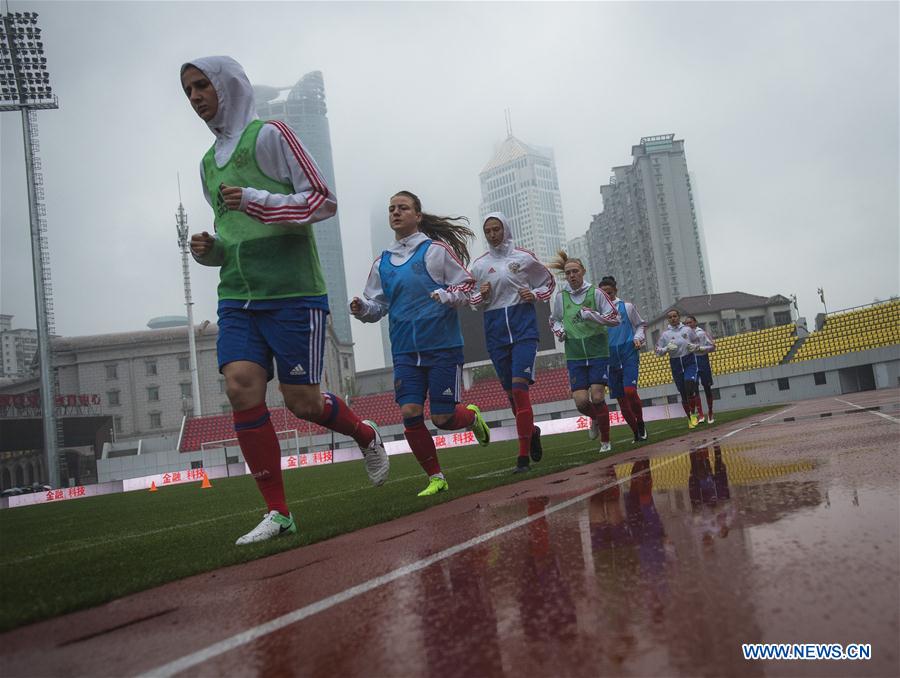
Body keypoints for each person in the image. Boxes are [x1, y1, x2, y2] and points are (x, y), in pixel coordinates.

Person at [181, 56, 389, 546]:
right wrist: (211, 251)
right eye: (188, 91)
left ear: (228, 87)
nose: (195, 97)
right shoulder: (207, 164)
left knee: (303, 404)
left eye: (202, 86)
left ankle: (365, 434)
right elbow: (233, 232)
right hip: (237, 296)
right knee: (240, 388)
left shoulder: (272, 135)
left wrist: (257, 200)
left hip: (293, 292)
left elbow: (322, 200)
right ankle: (278, 512)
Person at [350, 190, 490, 497]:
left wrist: (446, 295)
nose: (395, 212)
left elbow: (467, 288)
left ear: (418, 215)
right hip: (404, 351)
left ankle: (471, 416)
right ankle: (436, 477)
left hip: (442, 347)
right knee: (410, 412)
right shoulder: (382, 262)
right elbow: (377, 305)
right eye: (391, 209)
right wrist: (362, 309)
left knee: (443, 418)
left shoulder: (436, 251)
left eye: (403, 207)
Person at [469, 213, 555, 473]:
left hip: (523, 331)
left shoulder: (524, 258)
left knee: (519, 389)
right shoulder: (479, 266)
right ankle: (532, 431)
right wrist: (480, 295)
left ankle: (522, 457)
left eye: (497, 229)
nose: (493, 234)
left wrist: (534, 294)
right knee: (510, 396)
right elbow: (471, 300)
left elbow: (549, 282)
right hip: (496, 335)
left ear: (505, 229)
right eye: (488, 231)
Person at [548, 253, 620, 452]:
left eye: (575, 271)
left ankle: (605, 441)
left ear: (583, 272)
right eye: (568, 273)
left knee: (597, 397)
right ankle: (595, 418)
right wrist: (560, 331)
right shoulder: (561, 297)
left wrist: (593, 316)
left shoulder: (596, 293)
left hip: (597, 351)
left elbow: (615, 318)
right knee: (581, 402)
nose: (572, 275)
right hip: (575, 354)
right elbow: (554, 320)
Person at [598, 276, 648, 444]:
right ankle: (635, 433)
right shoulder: (597, 313)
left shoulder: (626, 307)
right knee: (621, 399)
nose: (607, 296)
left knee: (630, 392)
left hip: (628, 353)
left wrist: (638, 338)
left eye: (609, 292)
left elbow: (640, 324)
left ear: (615, 291)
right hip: (610, 359)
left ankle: (640, 423)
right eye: (603, 294)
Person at [654, 308, 702, 429]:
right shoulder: (665, 335)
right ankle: (690, 418)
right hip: (675, 363)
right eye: (670, 317)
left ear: (679, 317)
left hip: (689, 360)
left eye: (675, 316)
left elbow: (697, 342)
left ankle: (694, 414)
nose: (673, 319)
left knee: (689, 384)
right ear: (668, 320)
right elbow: (657, 351)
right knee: (683, 392)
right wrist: (666, 349)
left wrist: (694, 347)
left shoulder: (687, 330)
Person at [684, 315, 717, 423]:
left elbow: (713, 347)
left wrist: (700, 348)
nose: (688, 325)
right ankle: (701, 414)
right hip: (691, 362)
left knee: (707, 387)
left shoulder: (702, 333)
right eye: (686, 323)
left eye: (690, 322)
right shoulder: (684, 335)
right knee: (694, 388)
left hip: (702, 360)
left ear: (695, 322)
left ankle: (710, 412)